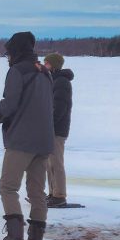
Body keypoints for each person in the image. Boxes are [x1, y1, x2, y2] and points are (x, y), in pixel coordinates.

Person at [0, 31, 54, 240]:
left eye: (8, 53)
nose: (6, 57)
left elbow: (10, 104)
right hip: (44, 140)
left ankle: (15, 239)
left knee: (8, 187)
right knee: (37, 192)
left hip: (22, 140)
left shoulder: (17, 71)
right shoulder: (44, 72)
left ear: (15, 52)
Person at [44, 52, 75, 208]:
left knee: (56, 163)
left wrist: (50, 124)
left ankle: (60, 195)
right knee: (49, 163)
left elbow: (59, 108)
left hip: (57, 129)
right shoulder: (53, 80)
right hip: (51, 128)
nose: (45, 65)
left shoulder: (61, 82)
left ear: (54, 65)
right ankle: (52, 193)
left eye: (47, 63)